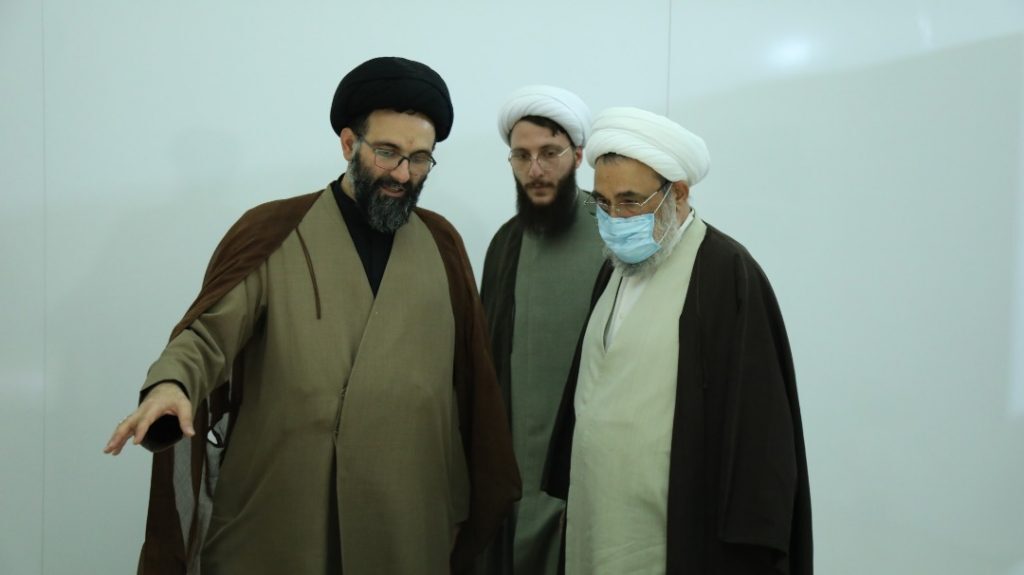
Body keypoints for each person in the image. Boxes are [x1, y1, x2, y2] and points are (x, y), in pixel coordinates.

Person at [103, 56, 521, 575]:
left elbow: (469, 385)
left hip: (408, 515)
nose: (402, 174)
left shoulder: (442, 244)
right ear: (348, 144)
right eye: (387, 153)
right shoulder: (275, 231)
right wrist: (172, 384)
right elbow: (208, 337)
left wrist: (460, 503)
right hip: (285, 513)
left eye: (420, 159)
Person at [543, 107, 812, 574]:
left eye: (630, 202)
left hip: (677, 534)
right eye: (603, 203)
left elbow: (760, 432)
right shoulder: (614, 270)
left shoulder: (725, 273)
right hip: (598, 515)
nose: (614, 218)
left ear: (679, 193)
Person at [477, 86, 605, 575]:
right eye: (522, 156)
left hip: (590, 474)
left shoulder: (613, 234)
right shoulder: (505, 244)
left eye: (550, 153)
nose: (535, 170)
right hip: (515, 477)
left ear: (578, 155)